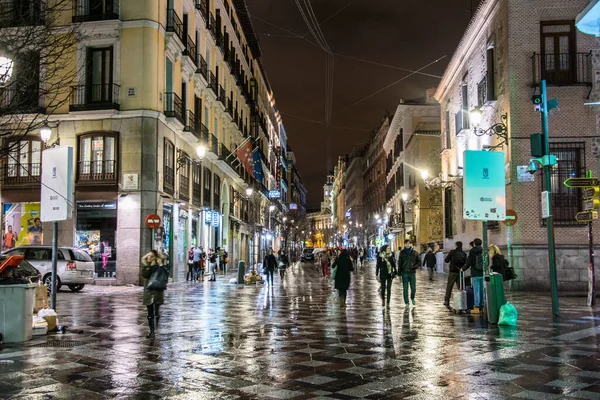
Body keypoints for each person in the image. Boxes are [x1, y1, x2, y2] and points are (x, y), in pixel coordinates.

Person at [141, 250, 166, 338]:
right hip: (148, 291)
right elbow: (145, 275)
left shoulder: (160, 266)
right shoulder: (146, 265)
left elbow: (165, 275)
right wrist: (150, 267)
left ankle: (156, 327)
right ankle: (152, 332)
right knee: (149, 313)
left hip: (157, 291)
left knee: (156, 312)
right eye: (148, 256)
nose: (149, 258)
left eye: (151, 256)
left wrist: (161, 265)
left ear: (156, 258)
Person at [461, 238, 485, 313]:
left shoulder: (472, 251)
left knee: (476, 290)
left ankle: (476, 306)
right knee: (482, 289)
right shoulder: (483, 250)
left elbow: (469, 262)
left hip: (475, 273)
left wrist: (463, 269)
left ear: (474, 243)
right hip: (482, 273)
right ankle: (482, 305)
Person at [443, 241, 467, 309]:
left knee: (449, 286)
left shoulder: (452, 252)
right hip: (460, 272)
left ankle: (447, 300)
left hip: (452, 272)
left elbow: (446, 260)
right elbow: (465, 263)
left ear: (456, 245)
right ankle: (462, 301)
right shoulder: (464, 254)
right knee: (460, 287)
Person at [398, 239, 420, 306]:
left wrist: (414, 267)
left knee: (413, 288)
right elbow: (399, 263)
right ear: (404, 244)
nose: (407, 245)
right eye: (406, 243)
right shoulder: (402, 252)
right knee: (405, 289)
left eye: (408, 243)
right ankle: (406, 302)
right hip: (404, 273)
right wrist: (399, 274)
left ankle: (412, 298)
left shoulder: (415, 253)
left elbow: (419, 262)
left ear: (411, 244)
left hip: (412, 273)